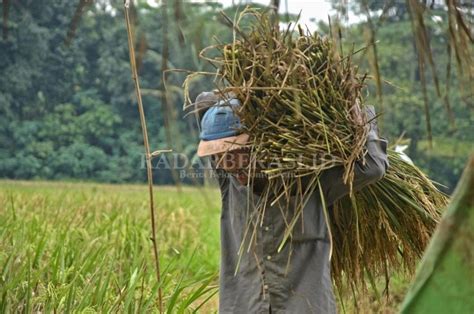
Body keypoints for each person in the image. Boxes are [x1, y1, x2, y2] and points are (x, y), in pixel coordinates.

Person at [192, 91, 389, 313]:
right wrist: (253, 90)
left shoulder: (308, 179)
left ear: (261, 144)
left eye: (237, 154)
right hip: (244, 305)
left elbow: (373, 166)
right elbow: (204, 102)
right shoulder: (230, 181)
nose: (228, 164)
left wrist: (357, 110)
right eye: (220, 156)